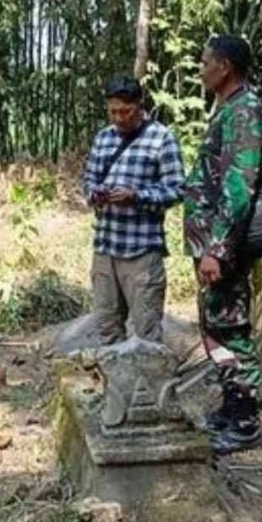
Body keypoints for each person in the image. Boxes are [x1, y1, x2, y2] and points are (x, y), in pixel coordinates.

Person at [183, 34, 262, 455]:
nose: (201, 69)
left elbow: (239, 185)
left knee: (232, 328)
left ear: (225, 67)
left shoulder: (245, 112)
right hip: (213, 245)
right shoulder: (229, 109)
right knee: (216, 323)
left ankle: (245, 419)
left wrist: (217, 248)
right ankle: (230, 404)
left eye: (205, 62)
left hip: (226, 248)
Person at [81, 76, 184, 345]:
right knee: (106, 327)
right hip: (105, 247)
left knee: (146, 332)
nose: (118, 118)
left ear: (140, 106)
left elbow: (177, 190)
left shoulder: (162, 139)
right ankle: (115, 386)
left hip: (142, 251)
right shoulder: (103, 139)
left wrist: (137, 197)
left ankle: (148, 387)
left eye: (125, 111)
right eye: (112, 111)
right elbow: (89, 183)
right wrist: (96, 196)